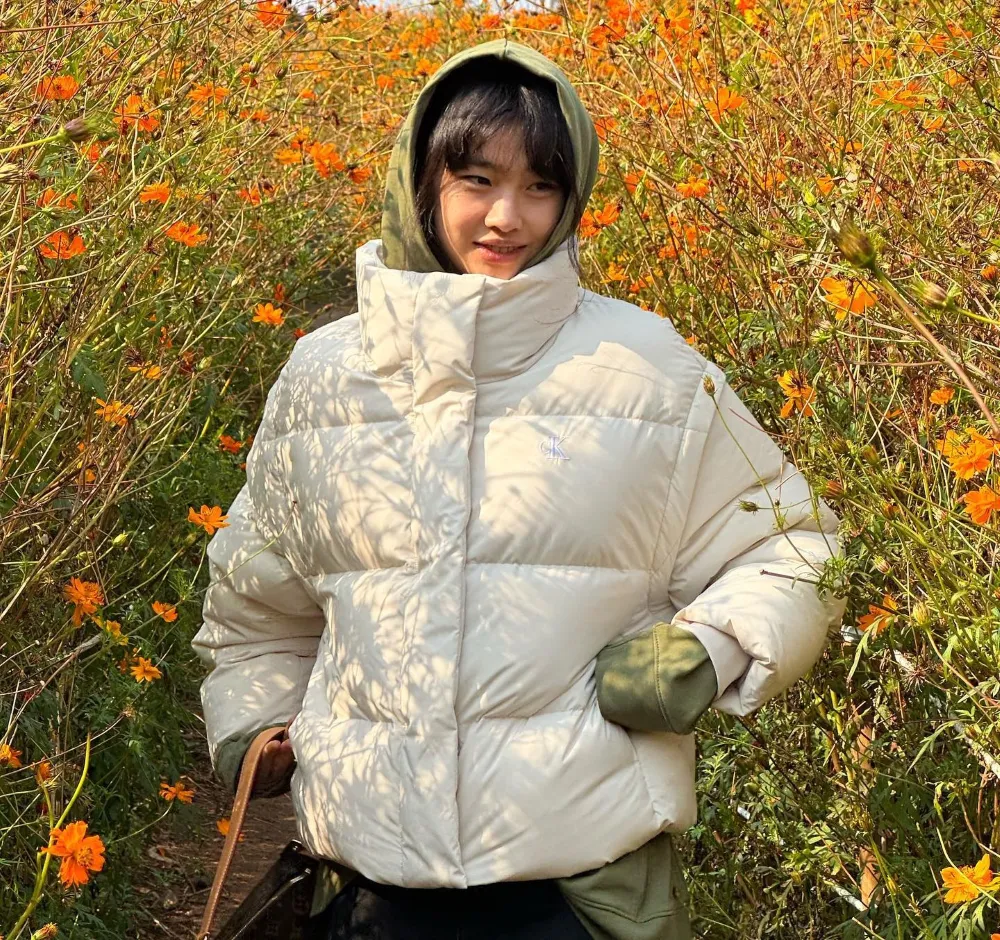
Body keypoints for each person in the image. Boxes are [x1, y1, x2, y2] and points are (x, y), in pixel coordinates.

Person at [192, 38, 846, 940]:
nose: (508, 216)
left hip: (578, 897)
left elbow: (794, 541)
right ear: (422, 182)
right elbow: (259, 602)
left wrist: (710, 648)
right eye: (477, 180)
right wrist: (257, 721)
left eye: (541, 186)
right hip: (368, 888)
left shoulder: (647, 368)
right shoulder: (323, 377)